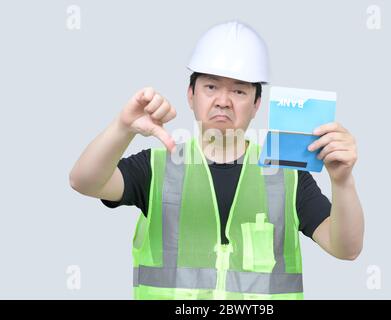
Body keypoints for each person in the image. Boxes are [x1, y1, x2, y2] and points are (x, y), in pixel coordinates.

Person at [69, 21, 364, 300]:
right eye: (211, 87)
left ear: (256, 104)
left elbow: (346, 249)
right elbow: (83, 181)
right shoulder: (157, 167)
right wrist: (123, 127)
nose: (223, 100)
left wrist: (343, 181)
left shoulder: (286, 175)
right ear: (191, 95)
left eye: (238, 90)